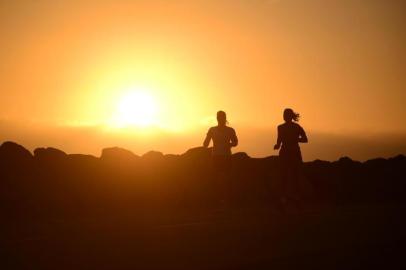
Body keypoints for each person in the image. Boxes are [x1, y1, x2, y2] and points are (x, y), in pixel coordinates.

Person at [274, 108, 308, 211]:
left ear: (289, 116)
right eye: (284, 114)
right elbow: (279, 142)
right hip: (289, 153)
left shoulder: (289, 127)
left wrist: (294, 139)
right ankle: (288, 201)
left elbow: (305, 139)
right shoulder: (285, 127)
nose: (284, 116)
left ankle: (292, 201)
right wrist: (277, 145)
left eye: (285, 114)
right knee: (290, 177)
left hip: (290, 154)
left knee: (291, 178)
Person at [203, 110, 238, 208]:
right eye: (220, 117)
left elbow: (235, 142)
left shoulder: (226, 130)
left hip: (222, 156)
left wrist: (228, 145)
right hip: (219, 156)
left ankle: (223, 200)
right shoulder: (218, 130)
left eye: (221, 117)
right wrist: (229, 145)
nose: (220, 119)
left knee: (223, 179)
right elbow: (235, 142)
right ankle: (221, 200)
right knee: (221, 179)